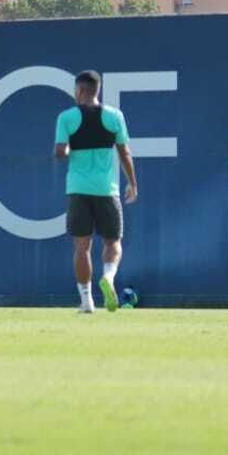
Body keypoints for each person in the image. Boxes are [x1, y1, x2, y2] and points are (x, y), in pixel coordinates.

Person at [53, 70, 137, 313]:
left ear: (79, 91)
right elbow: (125, 153)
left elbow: (60, 152)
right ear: (97, 90)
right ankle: (108, 278)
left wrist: (70, 149)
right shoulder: (115, 116)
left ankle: (87, 301)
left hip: (78, 190)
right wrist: (132, 183)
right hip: (107, 190)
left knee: (82, 247)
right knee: (113, 243)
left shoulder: (66, 118)